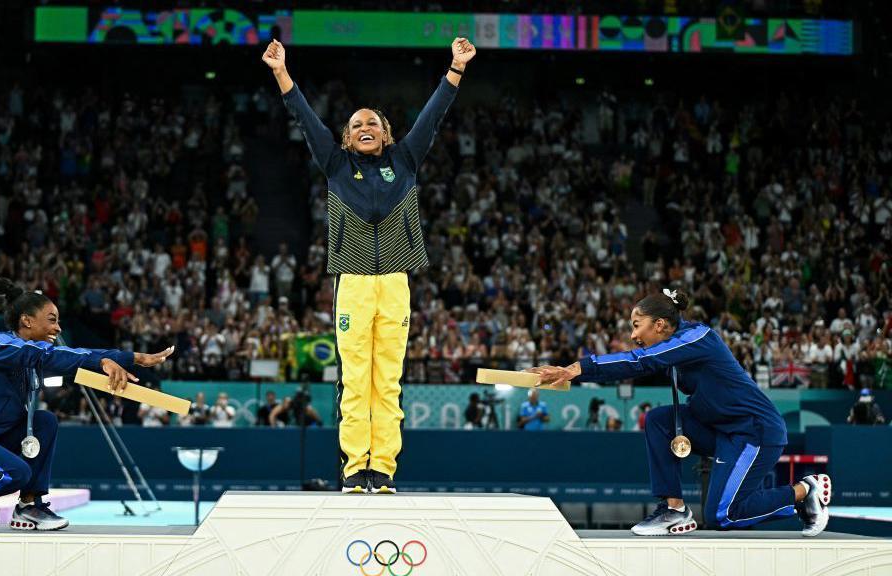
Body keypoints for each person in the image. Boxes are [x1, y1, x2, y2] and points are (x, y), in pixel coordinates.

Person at [263, 36, 476, 493]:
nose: (365, 127)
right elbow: (304, 117)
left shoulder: (405, 160)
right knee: (355, 380)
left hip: (395, 282)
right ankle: (353, 468)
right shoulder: (336, 164)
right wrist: (282, 72)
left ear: (386, 134)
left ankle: (383, 469)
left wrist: (455, 68)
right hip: (353, 284)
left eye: (373, 123)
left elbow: (432, 116)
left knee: (389, 383)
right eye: (356, 123)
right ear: (345, 136)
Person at [532, 289, 832, 537]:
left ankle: (805, 492)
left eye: (637, 325)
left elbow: (639, 361)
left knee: (722, 515)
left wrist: (576, 369)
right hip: (719, 429)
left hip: (754, 431)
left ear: (660, 324)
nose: (634, 335)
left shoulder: (698, 337)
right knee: (658, 421)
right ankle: (674, 509)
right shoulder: (673, 346)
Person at [0, 278, 173, 531]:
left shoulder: (31, 361)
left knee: (45, 421)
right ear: (27, 320)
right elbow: (50, 356)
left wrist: (121, 361)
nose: (58, 328)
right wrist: (113, 359)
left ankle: (29, 506)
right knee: (16, 473)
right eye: (52, 320)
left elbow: (63, 363)